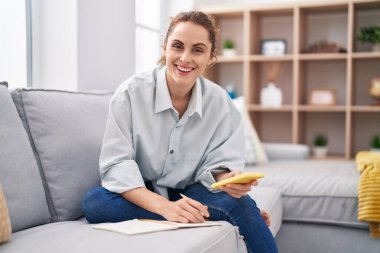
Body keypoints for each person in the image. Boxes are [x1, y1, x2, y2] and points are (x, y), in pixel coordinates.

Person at [82, 11, 278, 253]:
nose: (185, 58)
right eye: (177, 46)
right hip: (142, 190)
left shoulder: (219, 102)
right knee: (95, 203)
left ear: (211, 56)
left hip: (193, 189)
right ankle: (210, 214)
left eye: (197, 50)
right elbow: (117, 165)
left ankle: (211, 212)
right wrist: (164, 207)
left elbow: (219, 163)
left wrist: (225, 179)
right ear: (165, 48)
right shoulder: (130, 94)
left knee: (243, 204)